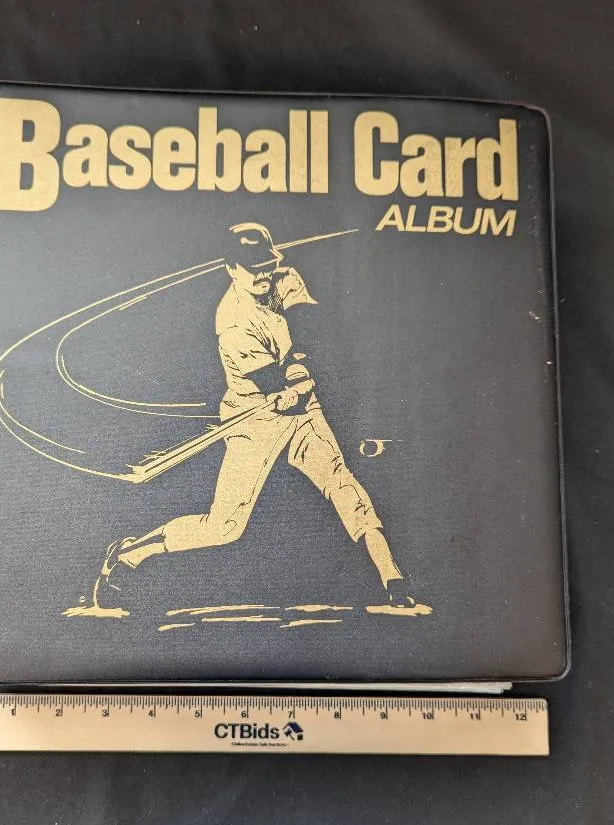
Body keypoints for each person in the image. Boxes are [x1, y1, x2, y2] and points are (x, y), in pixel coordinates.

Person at [94, 222, 424, 611]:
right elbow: (274, 386)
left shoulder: (284, 276)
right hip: (255, 418)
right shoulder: (233, 323)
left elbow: (308, 325)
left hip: (302, 409)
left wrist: (300, 369)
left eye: (267, 264)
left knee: (341, 481)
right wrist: (293, 384)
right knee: (224, 527)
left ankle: (391, 577)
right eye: (254, 268)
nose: (264, 274)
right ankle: (128, 553)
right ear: (232, 269)